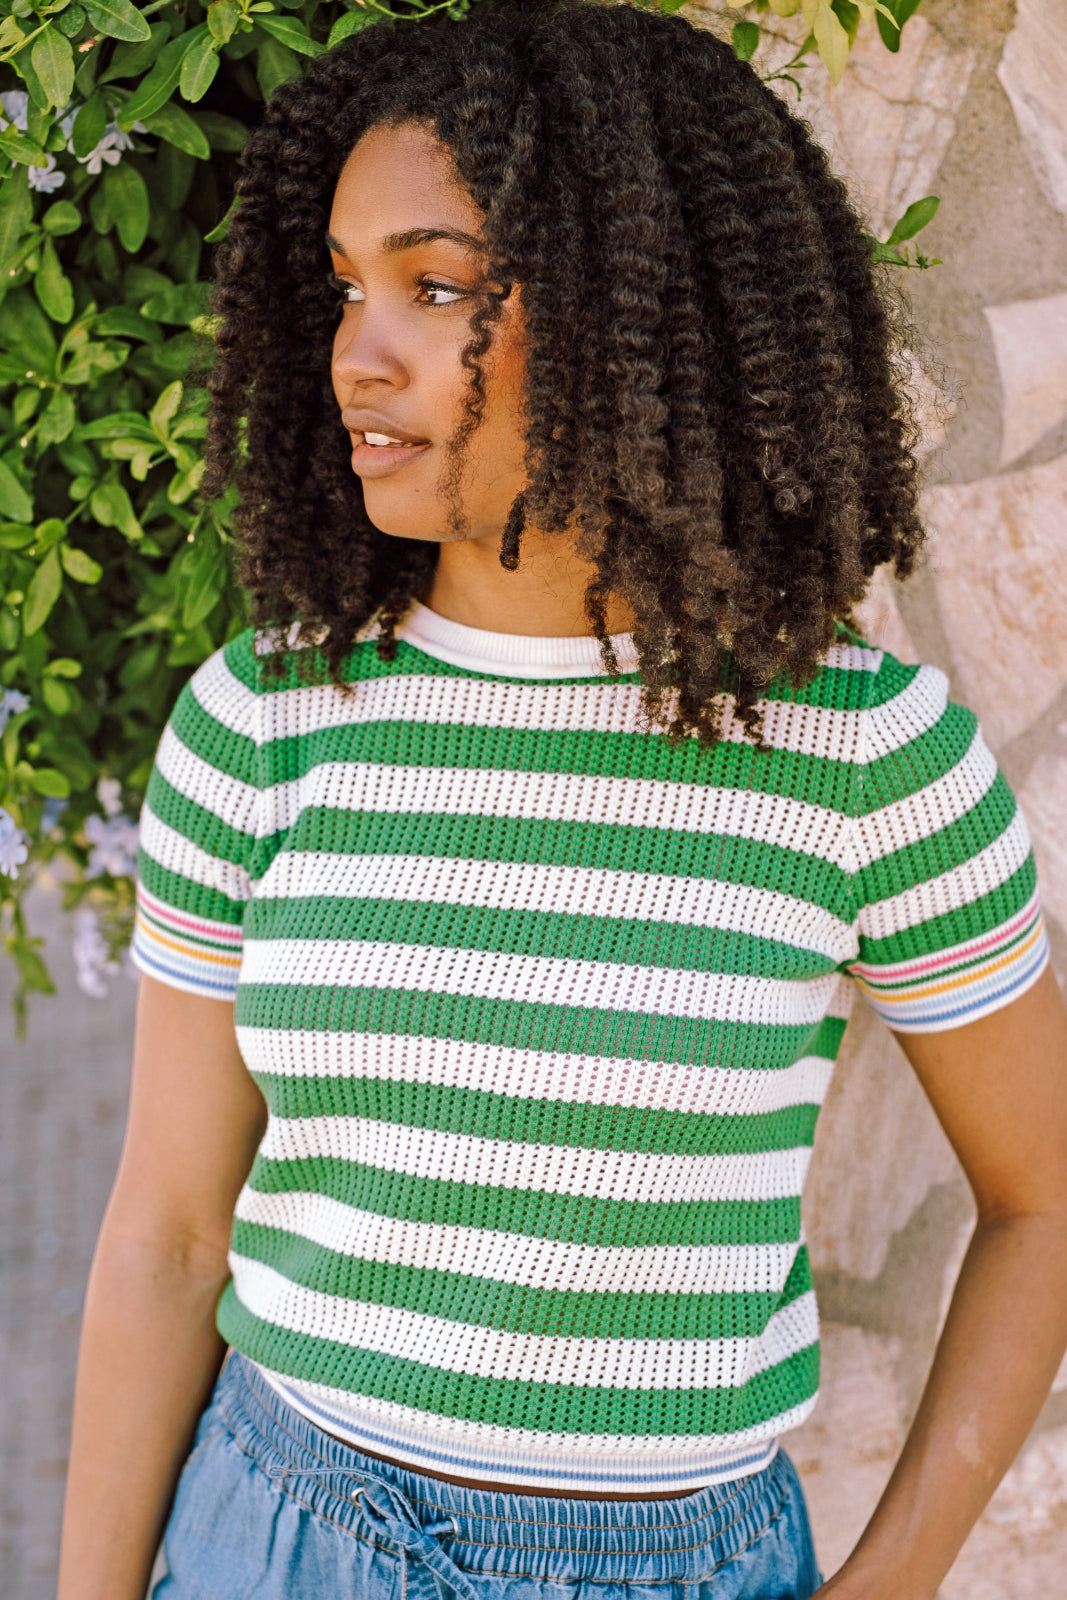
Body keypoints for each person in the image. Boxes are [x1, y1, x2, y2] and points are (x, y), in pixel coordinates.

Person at [57, 3, 1067, 1597]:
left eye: (436, 287)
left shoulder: (865, 760)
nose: (355, 354)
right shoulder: (264, 721)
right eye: (344, 288)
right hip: (277, 1535)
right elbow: (169, 1239)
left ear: (632, 319)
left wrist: (898, 1576)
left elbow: (1044, 1199)